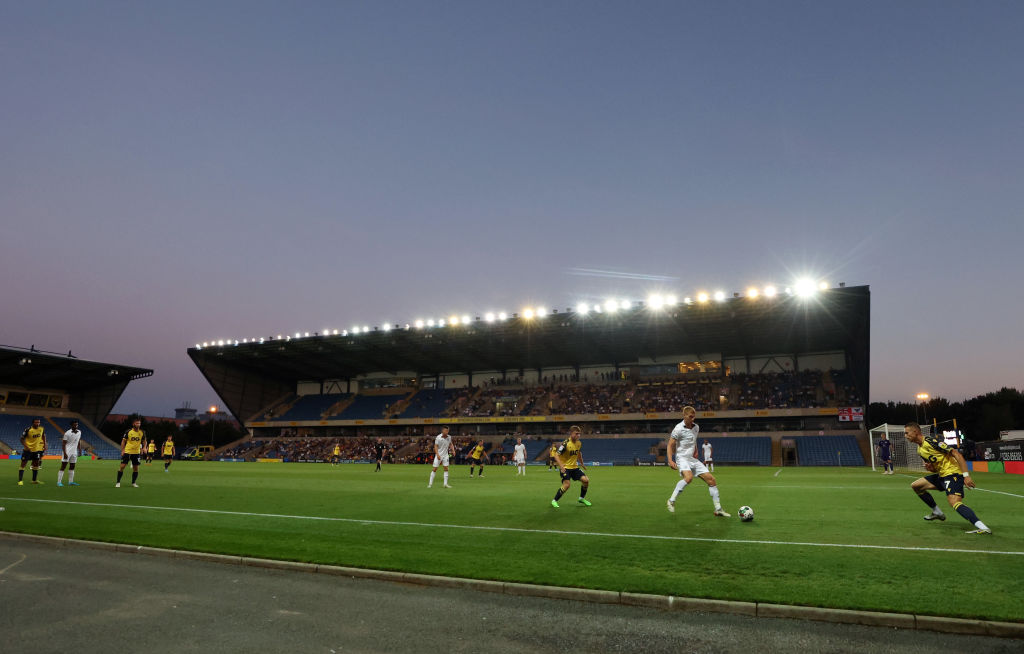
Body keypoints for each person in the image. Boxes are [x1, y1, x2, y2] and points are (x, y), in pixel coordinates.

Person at [904, 421, 990, 534]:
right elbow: (934, 468)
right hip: (942, 475)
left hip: (952, 473)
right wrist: (931, 468)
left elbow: (956, 454)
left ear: (915, 432)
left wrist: (966, 476)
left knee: (954, 502)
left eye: (907, 433)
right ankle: (937, 512)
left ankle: (983, 527)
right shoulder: (919, 450)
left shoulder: (931, 441)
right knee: (916, 486)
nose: (905, 436)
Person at [666, 406, 730, 516]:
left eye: (694, 417)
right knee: (689, 477)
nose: (693, 419)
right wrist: (670, 460)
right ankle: (671, 501)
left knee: (711, 480)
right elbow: (670, 444)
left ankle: (718, 509)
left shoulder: (696, 427)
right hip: (681, 458)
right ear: (684, 416)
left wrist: (695, 450)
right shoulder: (678, 428)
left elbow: (693, 440)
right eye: (690, 417)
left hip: (692, 459)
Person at [550, 426, 590, 508]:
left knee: (586, 480)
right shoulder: (565, 444)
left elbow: (579, 453)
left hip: (574, 468)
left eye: (579, 434)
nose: (578, 436)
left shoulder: (579, 443)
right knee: (567, 485)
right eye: (576, 434)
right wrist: (561, 466)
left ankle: (581, 498)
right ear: (571, 433)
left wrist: (582, 463)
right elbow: (556, 455)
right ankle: (554, 501)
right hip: (566, 468)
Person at [116, 419, 146, 488]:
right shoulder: (128, 432)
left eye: (139, 423)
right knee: (122, 466)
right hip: (128, 451)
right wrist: (122, 450)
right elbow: (123, 441)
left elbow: (144, 441)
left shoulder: (142, 432)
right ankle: (118, 482)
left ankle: (133, 483)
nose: (138, 424)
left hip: (136, 453)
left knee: (136, 468)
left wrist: (144, 447)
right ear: (133, 424)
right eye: (137, 423)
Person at [18, 418, 47, 485]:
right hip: (27, 451)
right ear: (33, 423)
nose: (37, 424)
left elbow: (43, 436)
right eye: (36, 422)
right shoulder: (28, 430)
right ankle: (20, 481)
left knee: (36, 464)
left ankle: (34, 480)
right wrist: (26, 447)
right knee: (23, 465)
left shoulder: (41, 429)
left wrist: (45, 444)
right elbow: (22, 439)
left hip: (37, 450)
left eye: (38, 422)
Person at [57, 419, 83, 486]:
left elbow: (79, 441)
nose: (76, 426)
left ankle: (70, 482)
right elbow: (63, 444)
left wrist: (80, 450)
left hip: (74, 452)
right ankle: (59, 482)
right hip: (67, 451)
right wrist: (65, 453)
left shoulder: (79, 432)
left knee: (72, 466)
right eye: (74, 425)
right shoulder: (67, 433)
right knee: (63, 466)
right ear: (71, 425)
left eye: (77, 424)